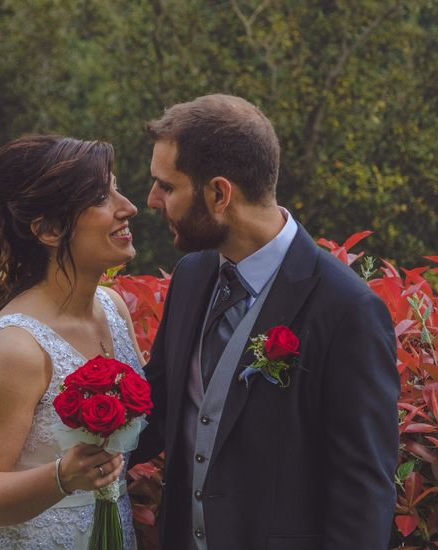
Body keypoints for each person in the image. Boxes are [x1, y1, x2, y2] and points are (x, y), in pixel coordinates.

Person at [131, 94, 399, 550]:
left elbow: (364, 488)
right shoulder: (192, 276)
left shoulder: (348, 310)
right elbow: (158, 407)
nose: (152, 200)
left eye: (167, 186)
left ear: (219, 194)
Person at [0, 135, 145, 549]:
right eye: (100, 197)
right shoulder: (16, 348)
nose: (127, 207)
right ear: (49, 229)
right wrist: (60, 477)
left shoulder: (113, 309)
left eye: (117, 189)